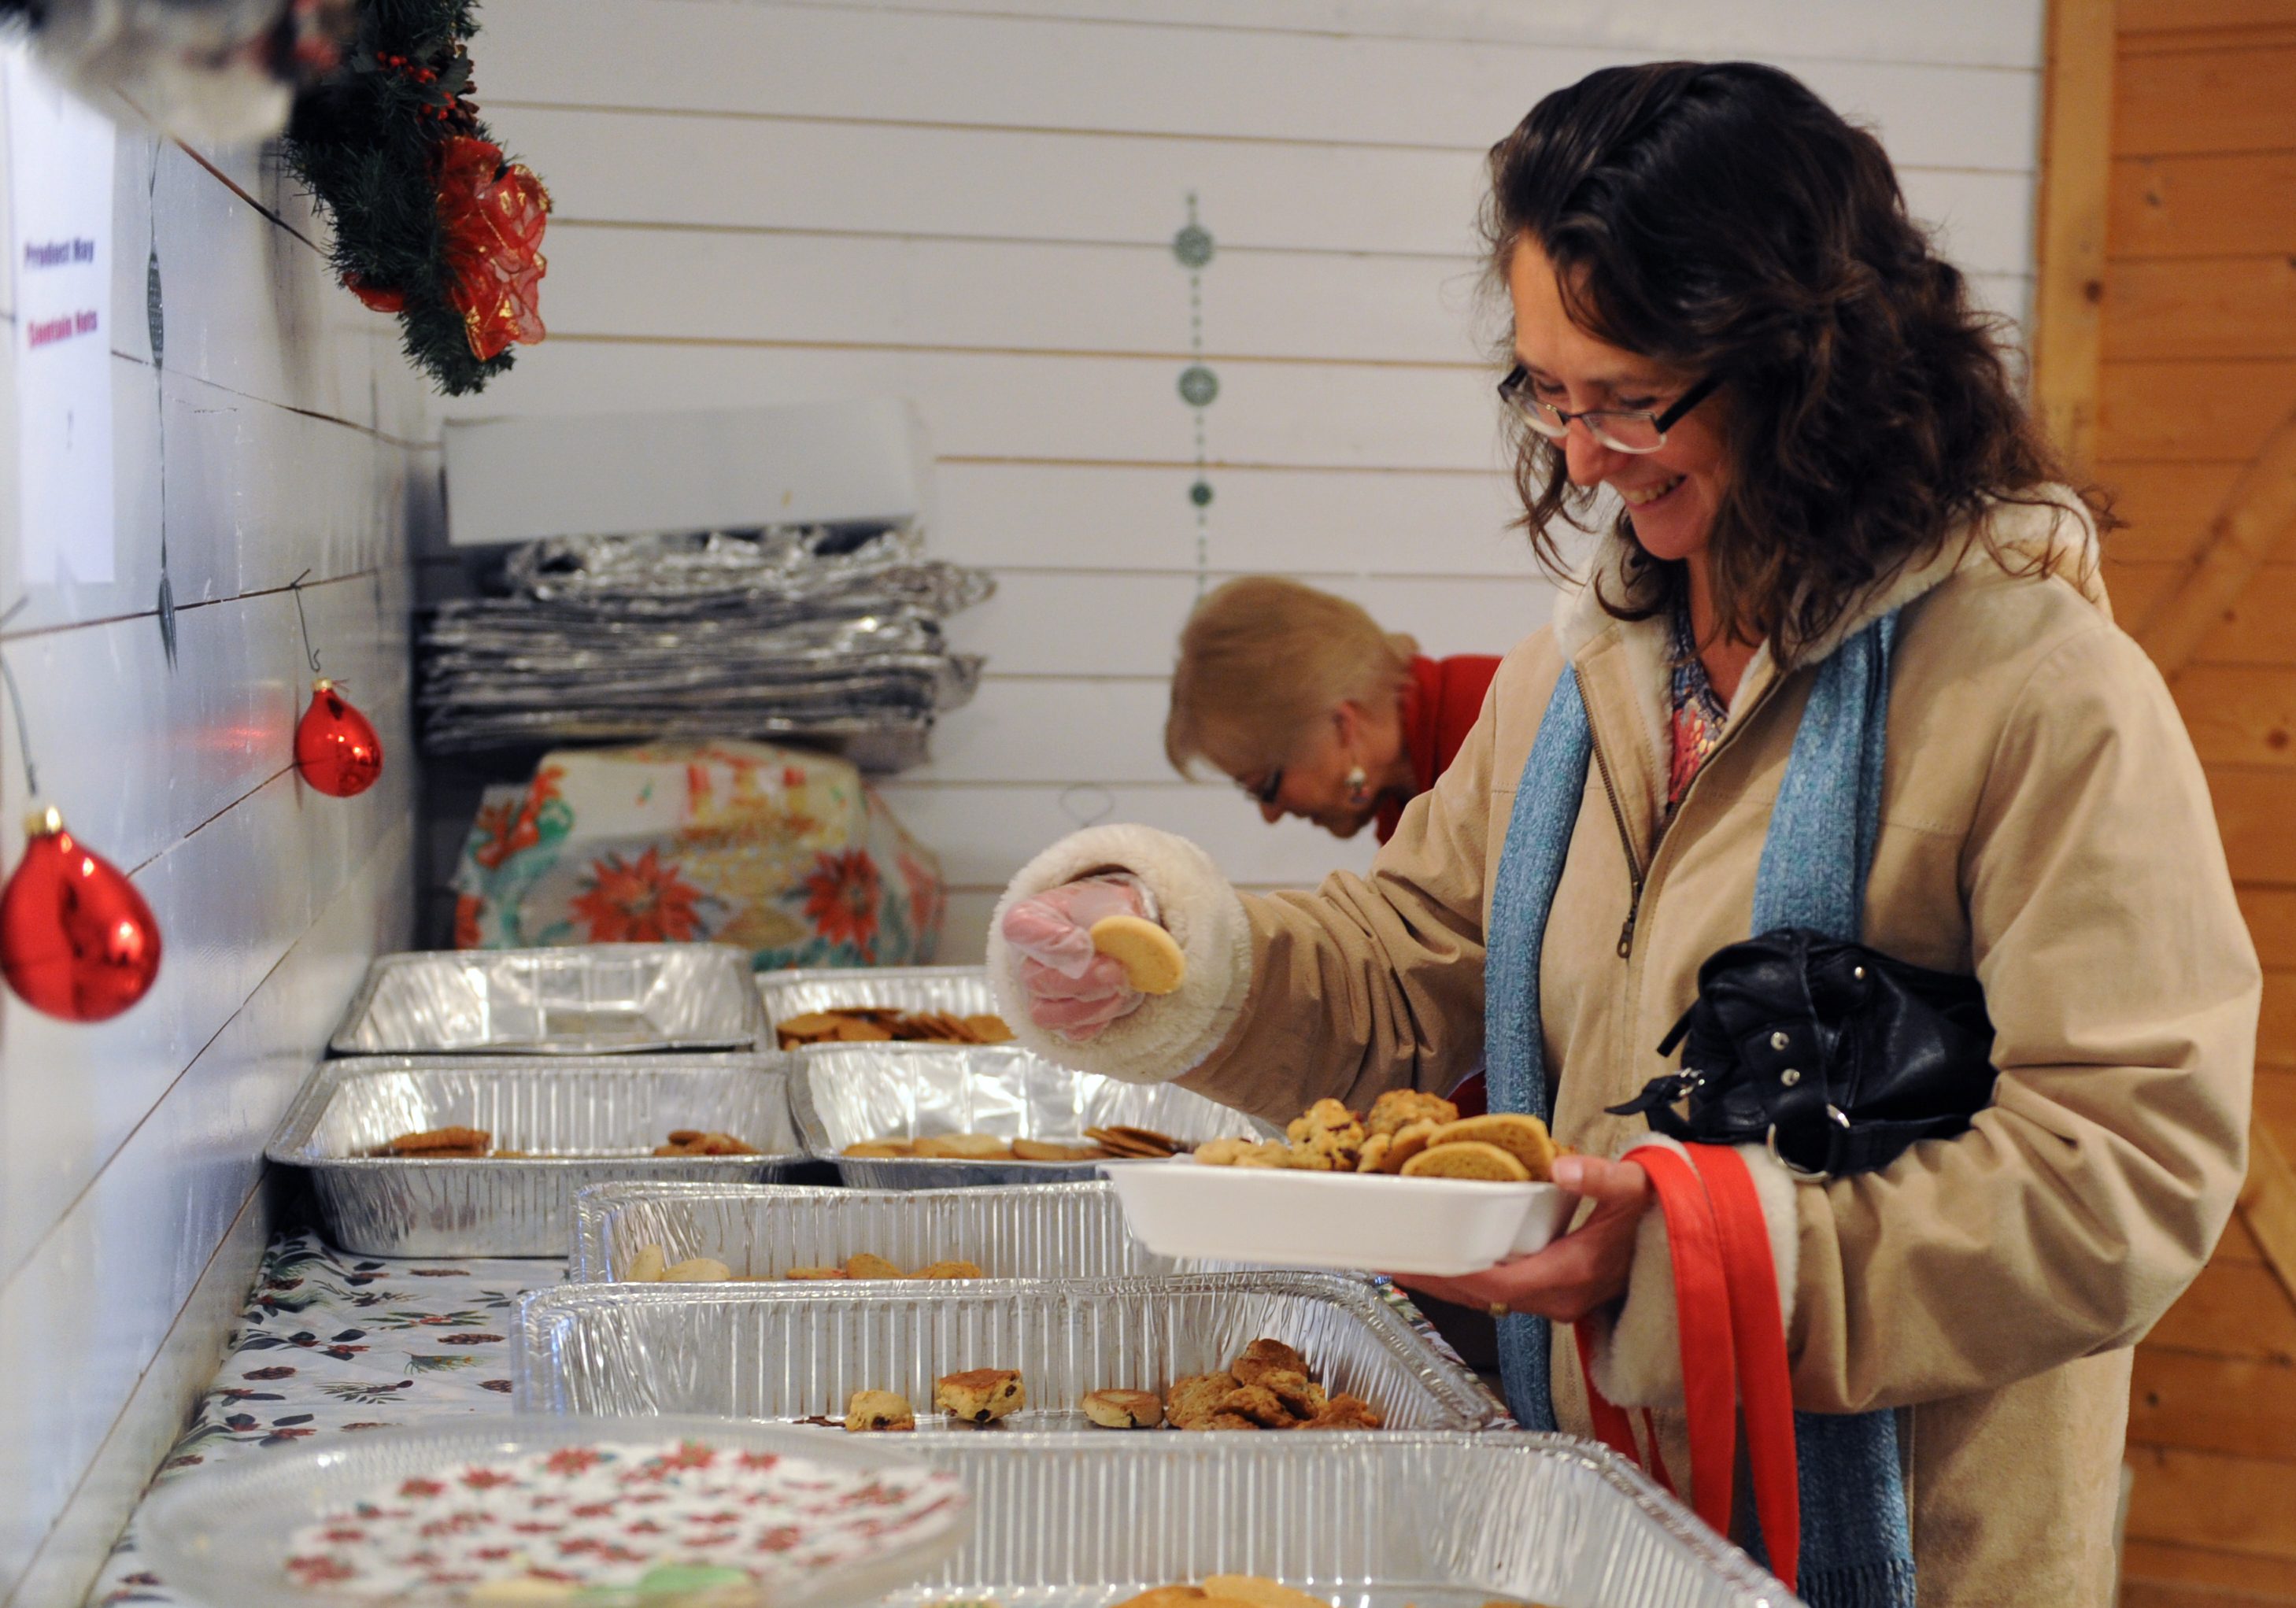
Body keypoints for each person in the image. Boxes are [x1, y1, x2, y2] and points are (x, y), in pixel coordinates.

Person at [992, 61, 2256, 1606]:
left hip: (1914, 1559)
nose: (1580, 454)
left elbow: (2122, 1173)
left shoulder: (2039, 693)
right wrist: (1173, 954)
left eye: (1631, 397)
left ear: (1814, 361)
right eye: (1545, 389)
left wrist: (1685, 1262)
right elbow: (1408, 962)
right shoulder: (1581, 669)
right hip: (1593, 1523)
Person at [1163, 576, 1501, 845]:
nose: (1271, 814)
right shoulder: (1405, 797)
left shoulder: (1502, 741)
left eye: (1265, 787)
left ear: (1343, 725)